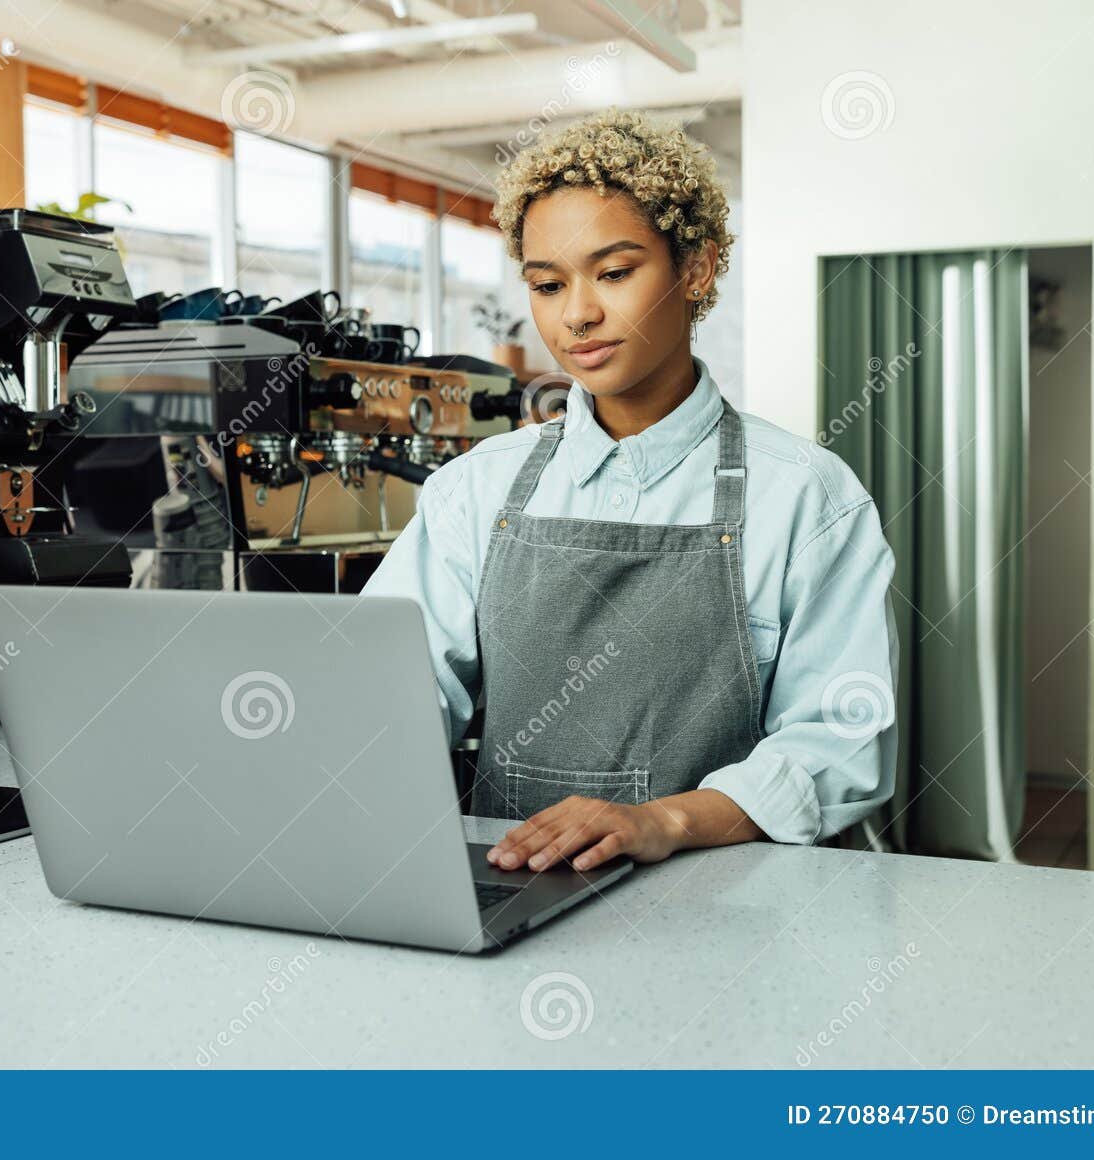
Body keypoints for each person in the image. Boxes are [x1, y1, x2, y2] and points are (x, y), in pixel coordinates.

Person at [360, 109, 897, 876]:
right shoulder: (473, 491)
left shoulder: (808, 499)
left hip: (735, 906)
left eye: (613, 273)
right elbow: (391, 690)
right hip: (515, 887)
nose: (576, 313)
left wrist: (665, 821)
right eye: (547, 284)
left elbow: (840, 739)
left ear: (697, 268)